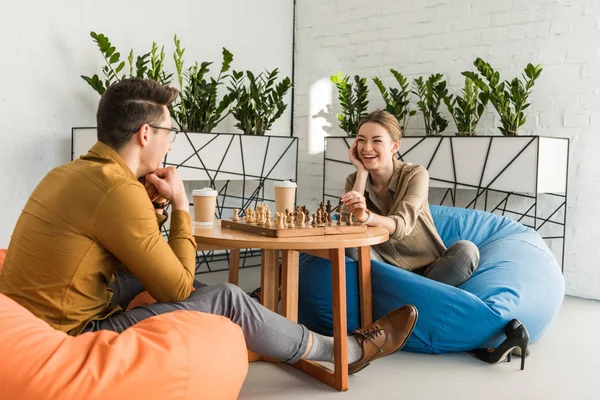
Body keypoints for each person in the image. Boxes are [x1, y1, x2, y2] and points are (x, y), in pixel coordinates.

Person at [0, 79, 417, 375]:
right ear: (146, 134)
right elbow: (177, 288)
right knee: (228, 299)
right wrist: (180, 203)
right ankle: (344, 350)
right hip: (73, 330)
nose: (171, 141)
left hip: (36, 312)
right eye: (168, 131)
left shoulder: (71, 172)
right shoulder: (117, 191)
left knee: (166, 283)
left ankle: (273, 328)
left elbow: (127, 245)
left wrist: (154, 210)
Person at [341, 110, 480, 287]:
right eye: (361, 140)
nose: (367, 148)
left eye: (376, 140)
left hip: (432, 269)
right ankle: (419, 300)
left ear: (395, 146)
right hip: (386, 269)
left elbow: (402, 225)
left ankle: (406, 300)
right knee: (350, 246)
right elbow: (346, 231)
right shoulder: (354, 181)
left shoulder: (415, 174)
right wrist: (361, 173)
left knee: (467, 250)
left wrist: (367, 217)